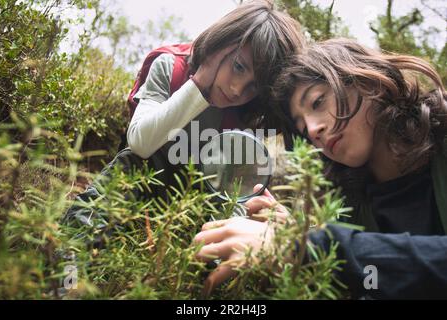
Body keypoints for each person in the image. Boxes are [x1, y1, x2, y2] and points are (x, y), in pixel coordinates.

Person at [194, 38, 447, 299]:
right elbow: (373, 280)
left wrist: (305, 248)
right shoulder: (349, 209)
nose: (314, 130)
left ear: (368, 81)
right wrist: (301, 242)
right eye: (303, 128)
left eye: (317, 102)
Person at [64, 0, 305, 226]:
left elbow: (234, 192)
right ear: (219, 46)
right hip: (140, 189)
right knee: (132, 163)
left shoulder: (249, 116)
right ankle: (70, 256)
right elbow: (139, 143)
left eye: (253, 86)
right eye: (238, 66)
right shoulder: (169, 68)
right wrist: (200, 81)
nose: (237, 89)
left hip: (199, 207)